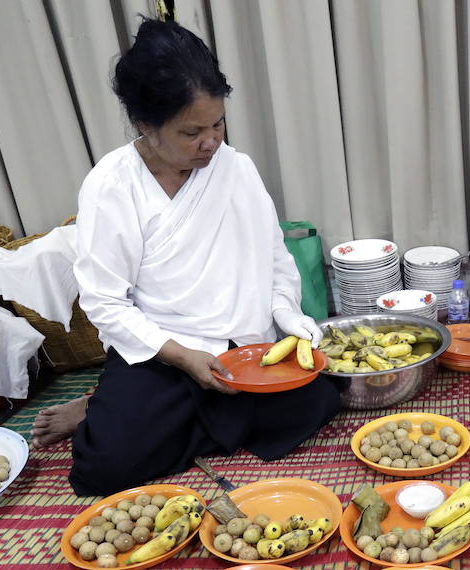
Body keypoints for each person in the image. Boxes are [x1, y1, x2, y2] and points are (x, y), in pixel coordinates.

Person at [31, 19, 341, 496]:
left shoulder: (236, 169)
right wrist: (183, 357)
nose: (211, 142)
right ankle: (106, 407)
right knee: (101, 469)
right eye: (191, 131)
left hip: (245, 348)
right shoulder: (112, 185)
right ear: (146, 126)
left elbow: (275, 260)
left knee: (321, 399)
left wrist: (286, 314)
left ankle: (141, 413)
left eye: (217, 124)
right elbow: (105, 303)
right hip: (165, 350)